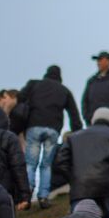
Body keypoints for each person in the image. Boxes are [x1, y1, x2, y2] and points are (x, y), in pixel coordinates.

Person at [52, 107, 109, 218]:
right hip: (105, 186)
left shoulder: (74, 137)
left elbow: (61, 160)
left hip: (79, 188)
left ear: (94, 119)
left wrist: (74, 178)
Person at [19, 65, 83, 209]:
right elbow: (74, 113)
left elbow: (20, 99)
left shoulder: (34, 84)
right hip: (53, 129)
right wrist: (77, 132)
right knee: (46, 165)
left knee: (31, 163)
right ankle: (43, 197)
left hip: (33, 127)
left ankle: (26, 196)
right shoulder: (64, 90)